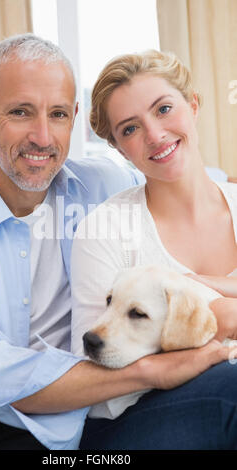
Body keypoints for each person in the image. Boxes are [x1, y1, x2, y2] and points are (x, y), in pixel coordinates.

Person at [0, 34, 232, 451]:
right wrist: (153, 370)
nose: (42, 136)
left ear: (73, 118)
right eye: (21, 112)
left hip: (66, 420)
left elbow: (172, 169)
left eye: (57, 114)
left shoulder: (101, 184)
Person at [71, 50, 237, 450]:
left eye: (164, 109)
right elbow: (93, 363)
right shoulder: (105, 230)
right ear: (119, 149)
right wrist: (220, 318)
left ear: (193, 104)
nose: (155, 134)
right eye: (130, 129)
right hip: (130, 418)